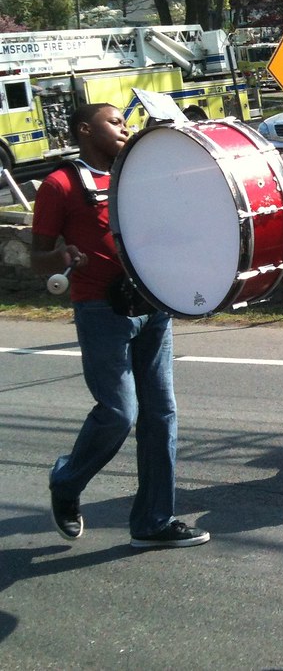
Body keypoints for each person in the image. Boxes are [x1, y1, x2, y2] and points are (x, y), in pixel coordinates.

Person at [31, 102, 210, 548]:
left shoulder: (136, 175)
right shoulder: (59, 184)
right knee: (118, 413)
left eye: (126, 123)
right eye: (115, 122)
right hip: (99, 309)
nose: (124, 129)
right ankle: (67, 482)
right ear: (85, 130)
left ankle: (153, 521)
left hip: (152, 302)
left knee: (161, 414)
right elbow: (37, 258)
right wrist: (62, 256)